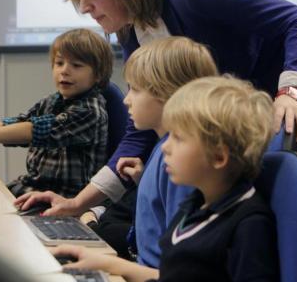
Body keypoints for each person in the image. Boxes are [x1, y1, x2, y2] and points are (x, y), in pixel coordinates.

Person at [15, 0, 297, 216]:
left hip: (285, 111)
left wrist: (290, 92)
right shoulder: (132, 31)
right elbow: (138, 133)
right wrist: (78, 204)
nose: (84, 6)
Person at [52, 76, 280, 282]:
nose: (166, 148)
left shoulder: (249, 226)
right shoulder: (195, 205)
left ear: (219, 156)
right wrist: (107, 263)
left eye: (178, 138)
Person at [77, 36, 218, 264]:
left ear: (166, 93)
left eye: (135, 90)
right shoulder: (162, 148)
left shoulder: (180, 160)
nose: (126, 100)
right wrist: (145, 180)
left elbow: (178, 261)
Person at [0, 28, 113, 197]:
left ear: (98, 75)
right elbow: (20, 123)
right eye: (59, 63)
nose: (64, 70)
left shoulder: (89, 111)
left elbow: (33, 131)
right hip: (33, 187)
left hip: (61, 198)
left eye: (76, 65)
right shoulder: (53, 100)